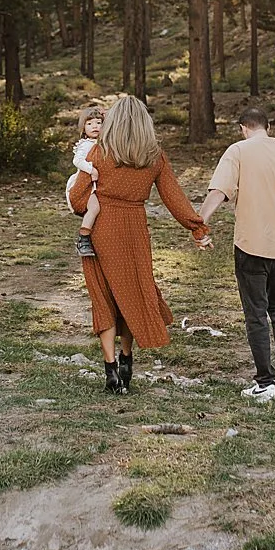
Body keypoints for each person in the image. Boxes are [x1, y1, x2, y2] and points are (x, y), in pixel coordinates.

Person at [68, 93, 212, 394]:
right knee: (130, 294)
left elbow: (78, 197)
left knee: (103, 297)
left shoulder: (99, 152)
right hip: (135, 231)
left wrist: (90, 204)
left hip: (102, 230)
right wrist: (197, 229)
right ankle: (127, 359)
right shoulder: (154, 156)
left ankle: (109, 369)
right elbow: (174, 198)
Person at [197, 105, 275, 402]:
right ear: (268, 128)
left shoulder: (238, 151)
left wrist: (199, 225)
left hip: (250, 247)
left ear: (243, 128)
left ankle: (265, 381)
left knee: (255, 314)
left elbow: (219, 191)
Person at [68, 103, 105, 259]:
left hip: (96, 185)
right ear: (83, 128)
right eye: (89, 123)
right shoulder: (86, 144)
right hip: (84, 186)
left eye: (98, 123)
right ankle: (83, 238)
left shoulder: (101, 143)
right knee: (95, 208)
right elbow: (77, 161)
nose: (94, 126)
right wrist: (92, 170)